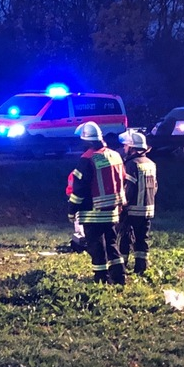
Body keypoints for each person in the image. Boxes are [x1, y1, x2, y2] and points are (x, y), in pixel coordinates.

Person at [68, 121, 127, 284]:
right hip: (113, 210)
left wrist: (72, 210)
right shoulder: (115, 155)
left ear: (86, 140)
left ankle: (101, 279)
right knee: (112, 243)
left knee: (96, 247)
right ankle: (119, 276)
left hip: (92, 213)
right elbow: (123, 179)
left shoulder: (87, 159)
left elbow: (79, 189)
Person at [118, 130, 158, 275]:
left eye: (126, 146)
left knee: (125, 237)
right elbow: (155, 186)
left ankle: (121, 266)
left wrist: (123, 205)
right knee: (142, 239)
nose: (124, 148)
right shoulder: (151, 164)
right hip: (148, 208)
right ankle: (141, 268)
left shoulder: (131, 164)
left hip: (132, 209)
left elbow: (129, 188)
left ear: (133, 147)